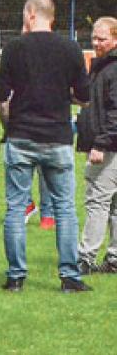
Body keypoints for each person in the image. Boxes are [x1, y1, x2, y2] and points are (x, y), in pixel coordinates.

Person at [0, 0, 91, 293]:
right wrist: (64, 95)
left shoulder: (14, 48)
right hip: (57, 138)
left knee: (15, 208)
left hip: (21, 136)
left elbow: (0, 98)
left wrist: (8, 127)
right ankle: (69, 276)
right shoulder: (71, 48)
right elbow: (84, 96)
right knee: (64, 208)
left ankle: (16, 277)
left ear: (31, 14)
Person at [76, 16, 117, 275]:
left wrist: (100, 143)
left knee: (97, 200)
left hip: (109, 146)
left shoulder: (112, 68)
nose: (96, 43)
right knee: (113, 204)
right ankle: (114, 258)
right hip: (110, 142)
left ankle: (85, 257)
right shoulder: (102, 66)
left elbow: (115, 112)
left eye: (102, 38)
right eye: (93, 37)